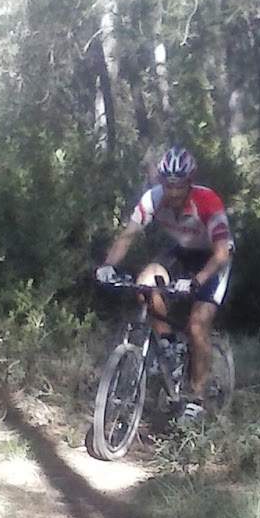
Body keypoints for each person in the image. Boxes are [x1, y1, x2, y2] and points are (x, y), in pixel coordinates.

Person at [95, 146, 233, 420]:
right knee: (145, 283)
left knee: (197, 325)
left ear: (189, 183)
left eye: (179, 186)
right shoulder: (153, 199)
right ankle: (168, 345)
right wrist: (108, 266)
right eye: (168, 185)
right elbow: (128, 235)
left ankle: (197, 398)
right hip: (183, 252)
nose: (173, 192)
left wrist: (197, 281)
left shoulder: (207, 201)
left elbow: (221, 253)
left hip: (213, 259)